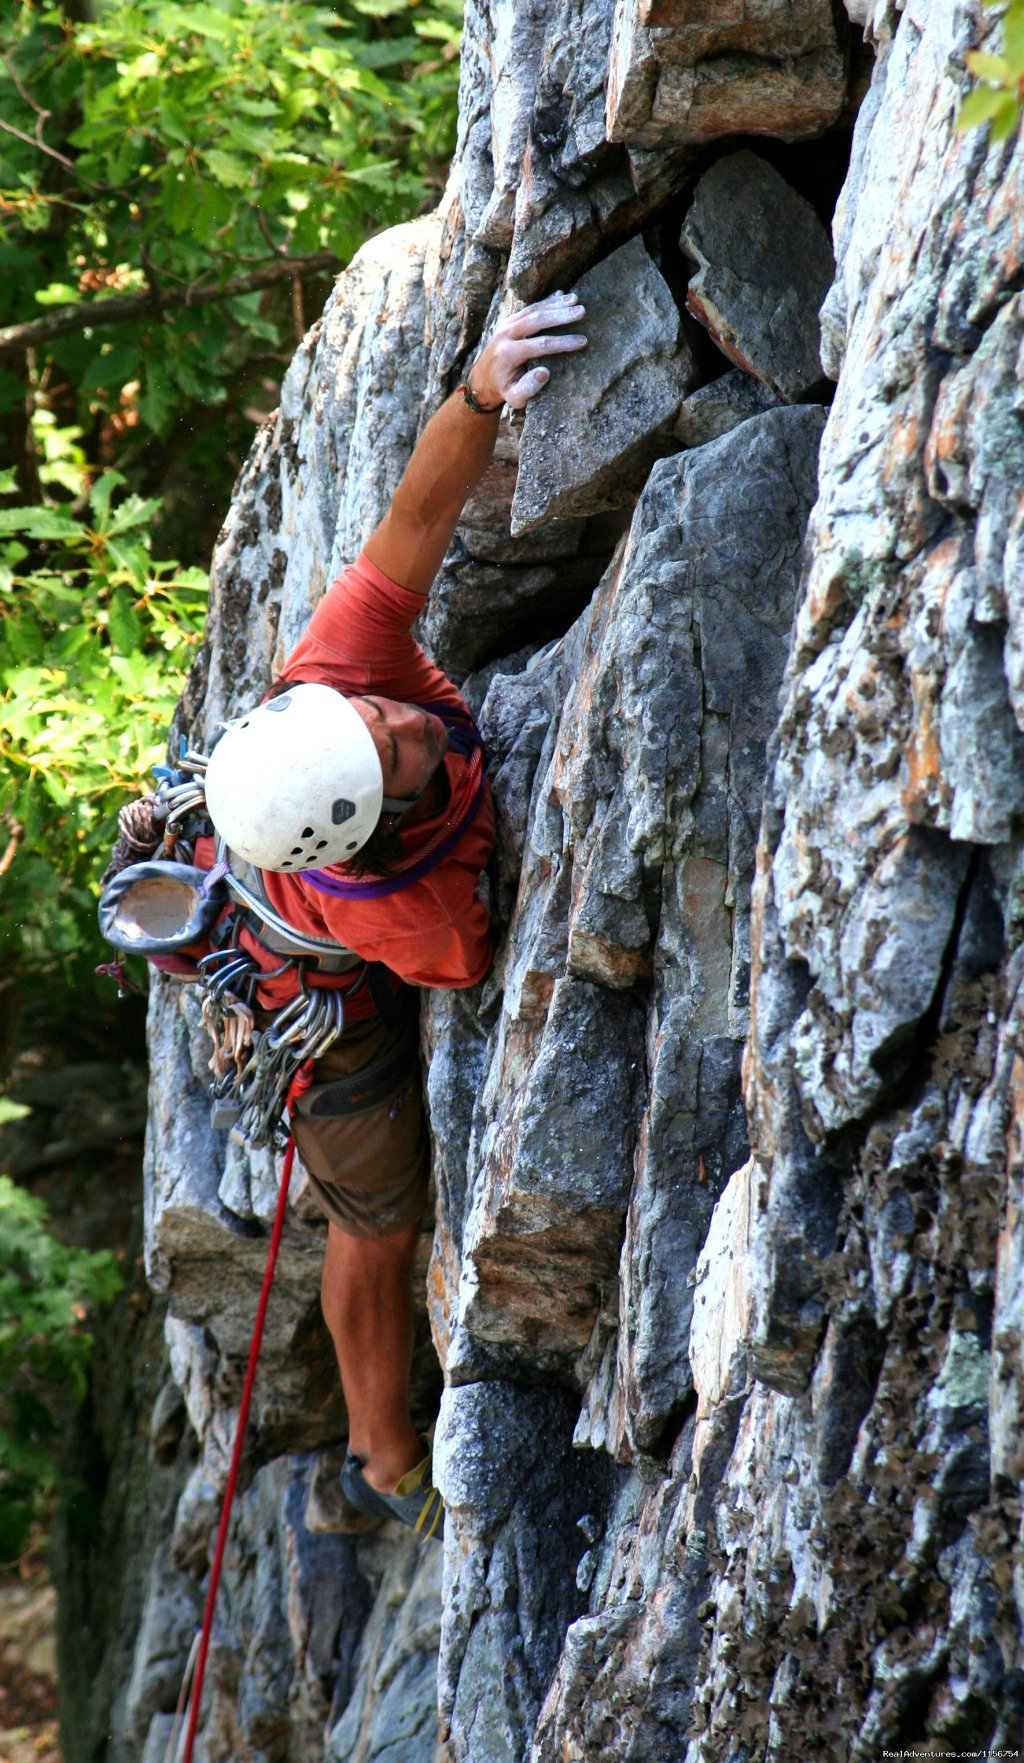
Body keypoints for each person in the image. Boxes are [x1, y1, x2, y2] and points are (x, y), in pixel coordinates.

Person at [199, 291, 588, 1537]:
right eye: (396, 757)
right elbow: (461, 959)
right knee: (375, 1211)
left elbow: (417, 516)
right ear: (372, 830)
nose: (409, 722)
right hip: (310, 980)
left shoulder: (333, 675)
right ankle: (377, 1454)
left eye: (382, 718)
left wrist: (482, 387)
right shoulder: (412, 906)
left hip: (289, 855)